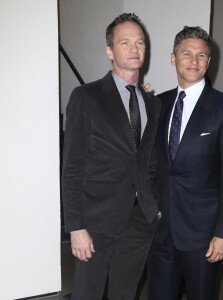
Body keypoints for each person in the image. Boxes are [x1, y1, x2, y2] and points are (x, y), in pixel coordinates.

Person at [61, 13, 161, 300]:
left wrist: (155, 209)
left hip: (140, 221)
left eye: (140, 42)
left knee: (125, 293)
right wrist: (76, 226)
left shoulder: (152, 104)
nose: (134, 48)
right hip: (96, 221)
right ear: (110, 50)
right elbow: (72, 167)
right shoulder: (86, 97)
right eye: (125, 42)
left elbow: (148, 161)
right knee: (88, 293)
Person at [147, 26, 223, 300]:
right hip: (161, 229)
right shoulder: (158, 104)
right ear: (173, 58)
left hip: (203, 234)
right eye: (187, 54)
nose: (194, 61)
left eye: (201, 56)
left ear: (209, 61)